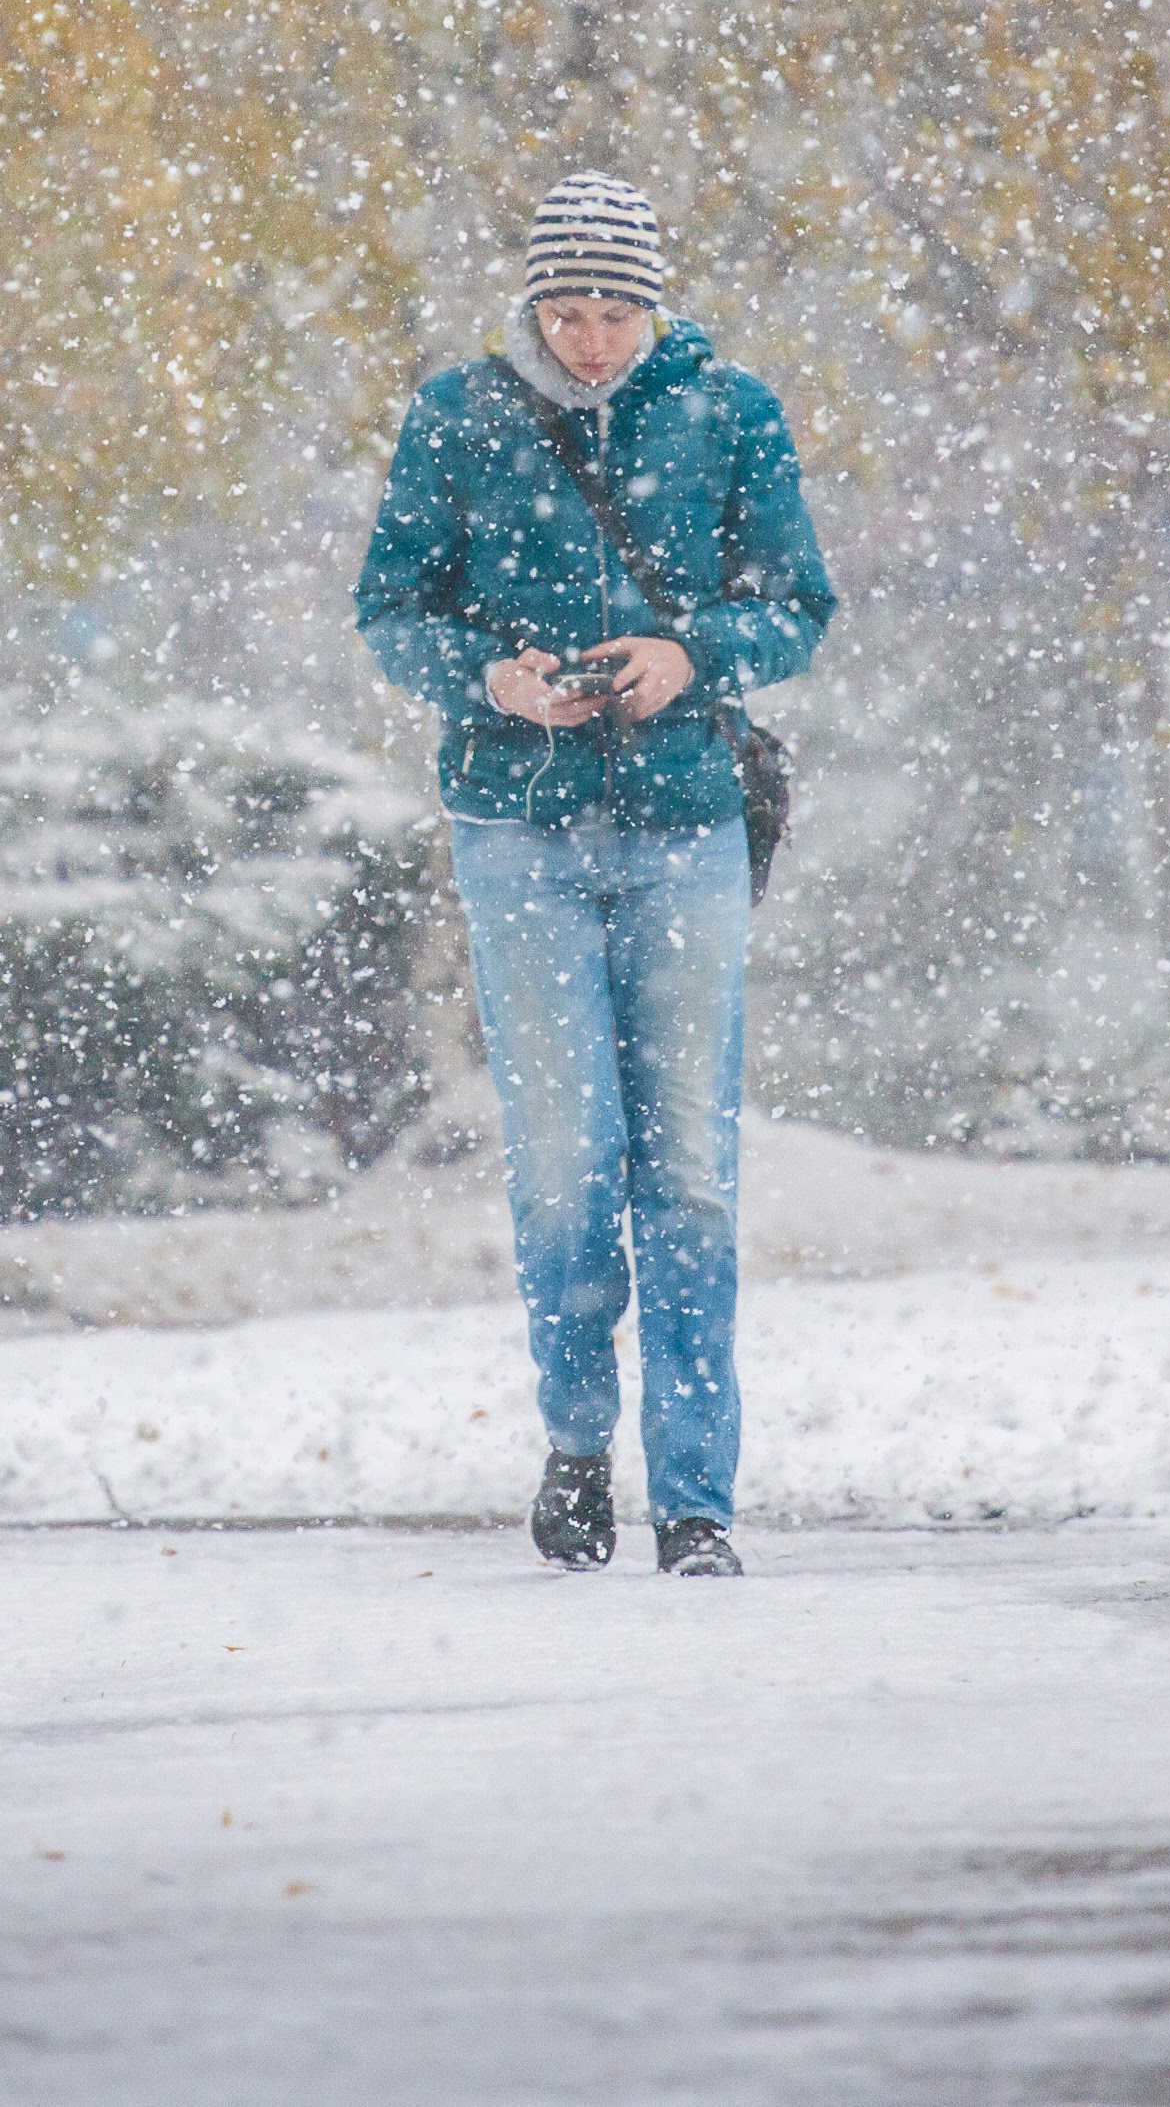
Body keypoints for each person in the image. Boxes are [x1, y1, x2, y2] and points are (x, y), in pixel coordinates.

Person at [351, 173, 836, 1577]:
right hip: (518, 834)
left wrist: (694, 655)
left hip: (687, 829)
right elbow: (390, 608)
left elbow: (797, 603)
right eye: (566, 310)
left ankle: (698, 1501)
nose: (591, 339)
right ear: (531, 304)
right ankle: (575, 1440)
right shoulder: (460, 415)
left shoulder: (731, 412)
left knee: (689, 1169)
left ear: (653, 304)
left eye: (616, 310)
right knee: (567, 1166)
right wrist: (492, 678)